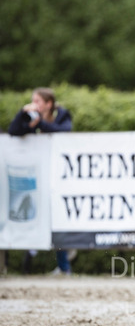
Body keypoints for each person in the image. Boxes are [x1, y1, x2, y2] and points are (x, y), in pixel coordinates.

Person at [9, 87, 74, 275]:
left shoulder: (62, 116)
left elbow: (64, 131)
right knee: (35, 217)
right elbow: (14, 131)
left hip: (58, 176)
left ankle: (64, 267)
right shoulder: (31, 116)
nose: (34, 104)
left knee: (56, 219)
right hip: (37, 177)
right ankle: (28, 265)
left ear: (49, 104)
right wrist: (22, 113)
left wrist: (40, 124)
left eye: (38, 101)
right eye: (33, 100)